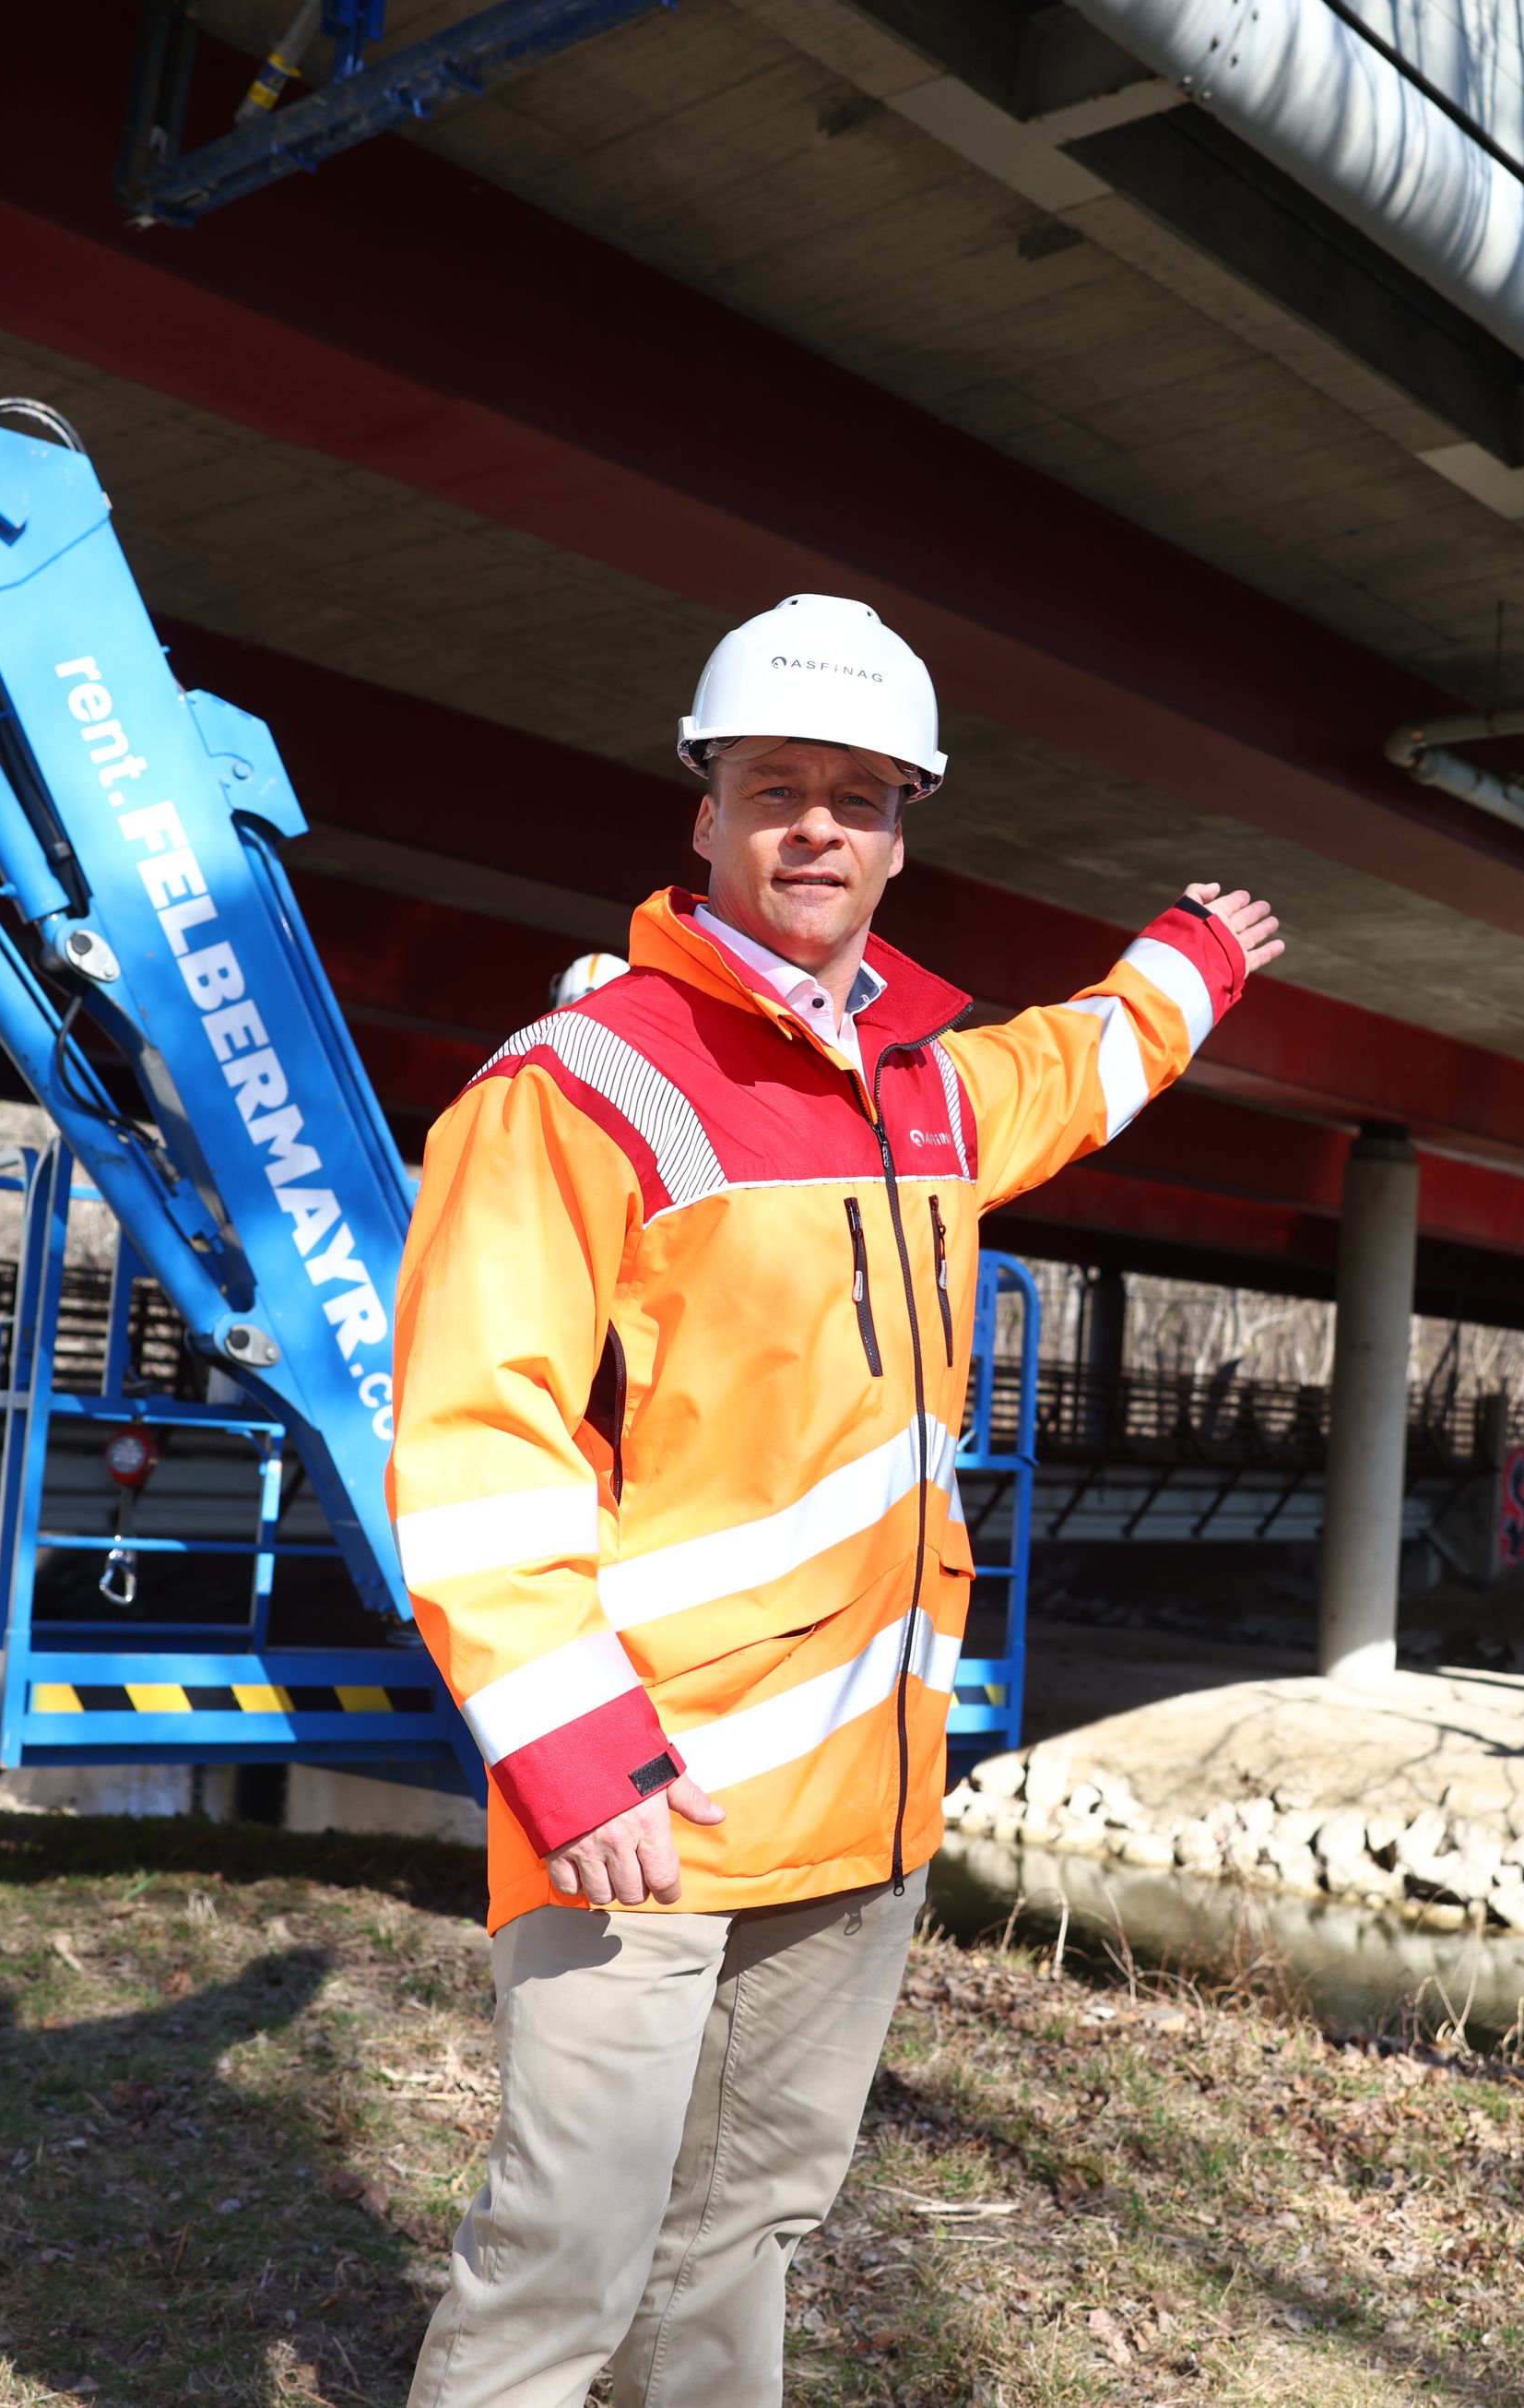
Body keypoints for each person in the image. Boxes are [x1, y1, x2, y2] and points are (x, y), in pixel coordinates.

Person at [386, 593, 1285, 2406]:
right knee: (572, 2246)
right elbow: (474, 1435)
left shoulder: (925, 1092)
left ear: (900, 830)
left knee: (753, 2224)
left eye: (858, 796)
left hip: (858, 1786)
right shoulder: (577, 1090)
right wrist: (571, 1748)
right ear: (703, 814)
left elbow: (1074, 1065)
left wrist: (1190, 962)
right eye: (778, 788)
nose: (817, 826)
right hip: (644, 1794)